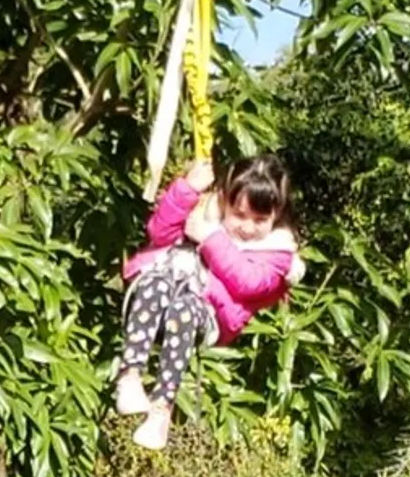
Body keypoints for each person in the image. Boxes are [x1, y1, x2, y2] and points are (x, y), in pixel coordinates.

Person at [115, 155, 305, 450]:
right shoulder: (202, 213)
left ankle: (161, 409)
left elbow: (247, 280)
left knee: (184, 311)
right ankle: (129, 376)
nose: (247, 227)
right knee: (154, 283)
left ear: (276, 215)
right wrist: (187, 190)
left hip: (205, 315)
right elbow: (159, 233)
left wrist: (209, 237)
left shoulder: (276, 253)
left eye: (259, 220)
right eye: (239, 215)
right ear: (224, 200)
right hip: (159, 294)